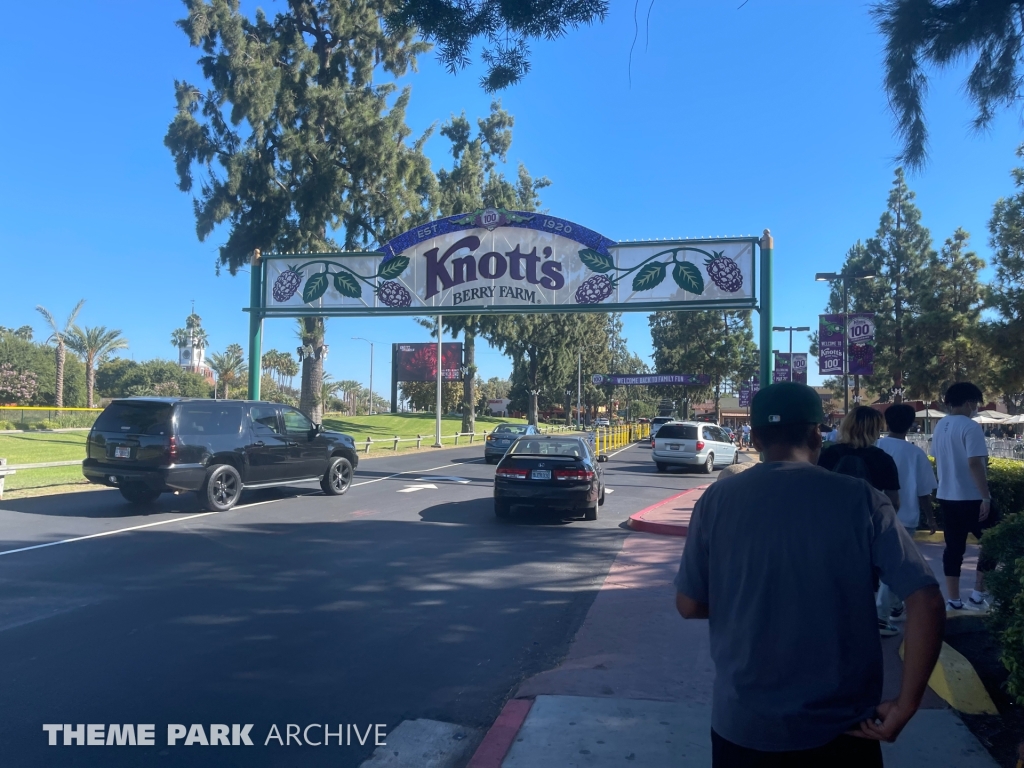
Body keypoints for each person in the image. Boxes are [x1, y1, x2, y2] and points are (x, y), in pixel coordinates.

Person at [675, 382, 945, 767]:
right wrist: (906, 704)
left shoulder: (716, 501)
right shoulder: (863, 499)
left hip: (745, 728)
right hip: (845, 729)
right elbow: (927, 600)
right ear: (818, 434)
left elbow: (688, 604)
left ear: (754, 438)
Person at [931, 382, 997, 611]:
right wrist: (985, 497)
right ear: (970, 402)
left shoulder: (940, 426)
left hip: (947, 495)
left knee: (954, 548)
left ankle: (954, 599)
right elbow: (975, 463)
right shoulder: (971, 427)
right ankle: (978, 593)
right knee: (993, 542)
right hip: (971, 497)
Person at [877, 404, 938, 626]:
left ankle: (892, 606)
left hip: (875, 515)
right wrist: (930, 518)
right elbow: (924, 491)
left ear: (886, 422)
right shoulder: (916, 453)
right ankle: (881, 615)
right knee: (895, 566)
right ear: (911, 424)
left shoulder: (876, 446)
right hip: (906, 517)